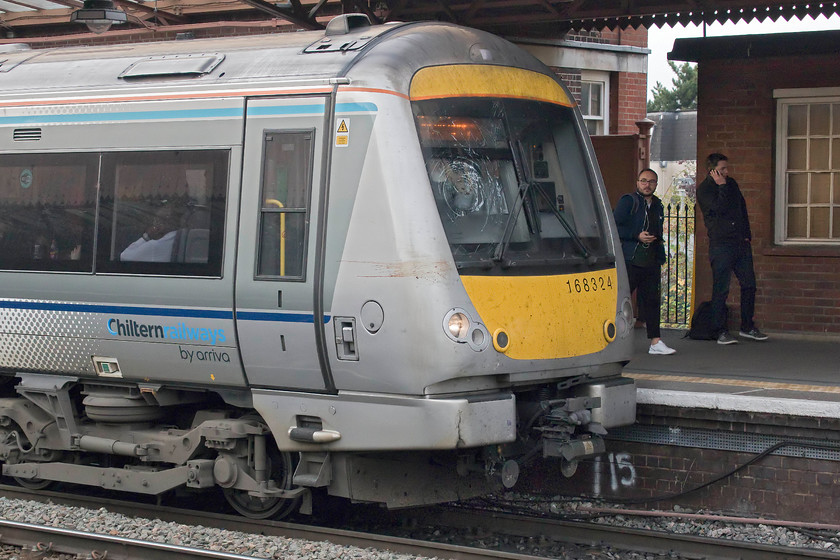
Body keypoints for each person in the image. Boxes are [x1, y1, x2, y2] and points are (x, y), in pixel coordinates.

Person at [696, 153, 768, 345]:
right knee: (721, 288)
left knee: (749, 284)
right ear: (712, 170)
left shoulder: (732, 184)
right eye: (723, 169)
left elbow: (741, 208)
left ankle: (747, 326)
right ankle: (720, 330)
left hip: (740, 243)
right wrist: (721, 187)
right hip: (721, 244)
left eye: (727, 168)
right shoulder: (705, 190)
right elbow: (718, 209)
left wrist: (747, 235)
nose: (727, 172)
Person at [614, 168, 676, 355]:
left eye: (651, 181)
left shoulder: (657, 204)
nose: (647, 184)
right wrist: (636, 236)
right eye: (643, 181)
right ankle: (609, 339)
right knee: (620, 300)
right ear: (637, 183)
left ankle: (655, 342)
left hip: (651, 260)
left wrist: (657, 245)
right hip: (631, 259)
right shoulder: (628, 201)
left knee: (652, 301)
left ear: (656, 184)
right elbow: (615, 226)